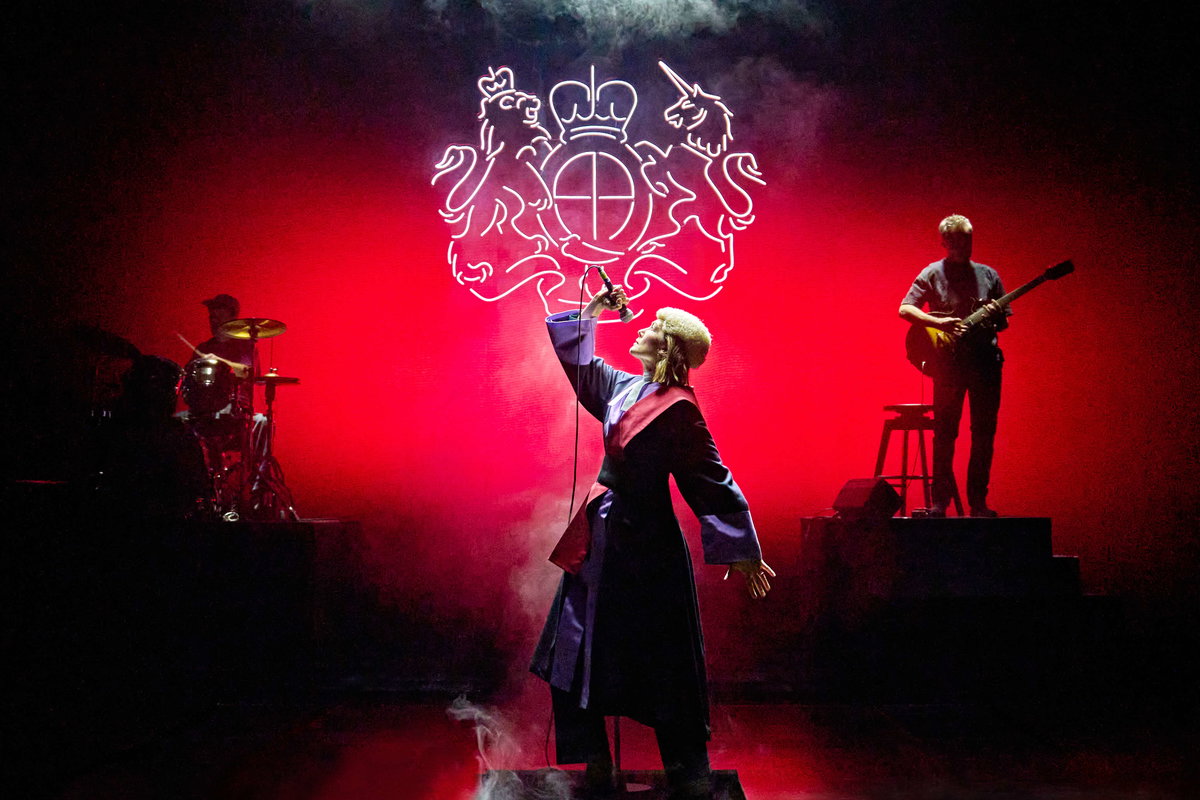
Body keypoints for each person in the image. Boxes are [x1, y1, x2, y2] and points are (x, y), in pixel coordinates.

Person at [531, 284, 774, 799]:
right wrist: (593, 310)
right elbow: (579, 363)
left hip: (647, 547)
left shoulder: (679, 408)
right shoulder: (622, 387)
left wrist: (742, 549)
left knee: (663, 658)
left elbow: (709, 477)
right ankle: (596, 762)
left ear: (667, 348)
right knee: (574, 646)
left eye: (653, 328)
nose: (640, 327)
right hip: (601, 537)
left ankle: (689, 775)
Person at [899, 214, 1009, 517]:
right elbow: (905, 308)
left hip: (986, 364)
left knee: (984, 434)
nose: (965, 244)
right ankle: (939, 502)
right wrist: (938, 323)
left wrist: (994, 315)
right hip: (949, 366)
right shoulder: (933, 273)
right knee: (945, 434)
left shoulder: (988, 275)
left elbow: (1003, 322)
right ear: (946, 242)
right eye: (959, 239)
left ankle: (978, 503)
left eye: (969, 238)